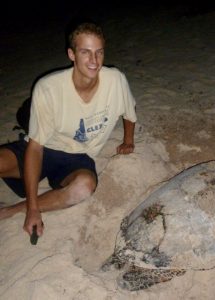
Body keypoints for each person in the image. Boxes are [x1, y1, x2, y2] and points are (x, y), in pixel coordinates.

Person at [0, 19, 137, 238]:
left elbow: (130, 113)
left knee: (84, 187)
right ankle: (32, 203)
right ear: (72, 54)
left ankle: (14, 209)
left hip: (77, 158)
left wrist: (129, 140)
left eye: (99, 52)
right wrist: (35, 210)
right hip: (45, 147)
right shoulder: (48, 87)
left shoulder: (115, 80)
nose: (94, 60)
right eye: (86, 52)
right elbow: (35, 148)